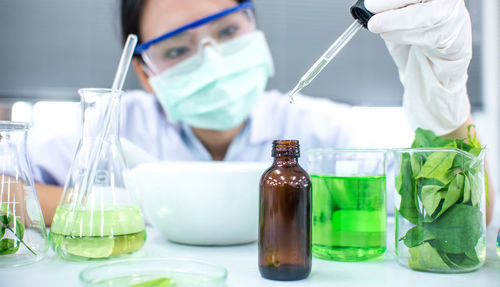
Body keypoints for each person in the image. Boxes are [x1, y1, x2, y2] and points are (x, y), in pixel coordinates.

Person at [30, 0, 494, 226]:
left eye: (228, 31)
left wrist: (445, 107)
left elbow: (458, 222)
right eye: (177, 49)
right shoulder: (108, 127)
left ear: (255, 27)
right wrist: (129, 207)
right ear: (146, 73)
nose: (211, 58)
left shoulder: (320, 129)